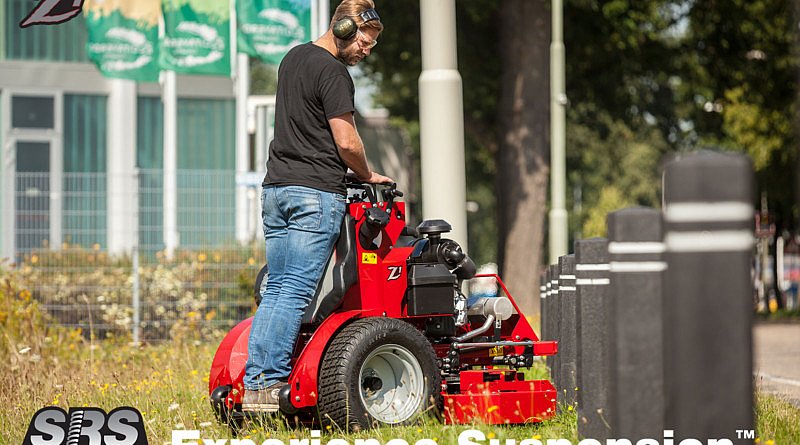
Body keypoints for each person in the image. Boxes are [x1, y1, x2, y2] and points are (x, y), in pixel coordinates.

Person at [242, 0, 393, 413]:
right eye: (365, 39)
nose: (367, 49)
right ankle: (266, 384)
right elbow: (346, 141)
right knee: (293, 290)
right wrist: (367, 175)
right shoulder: (333, 72)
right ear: (344, 28)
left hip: (277, 191)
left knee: (277, 288)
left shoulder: (293, 59)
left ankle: (258, 379)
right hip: (315, 194)